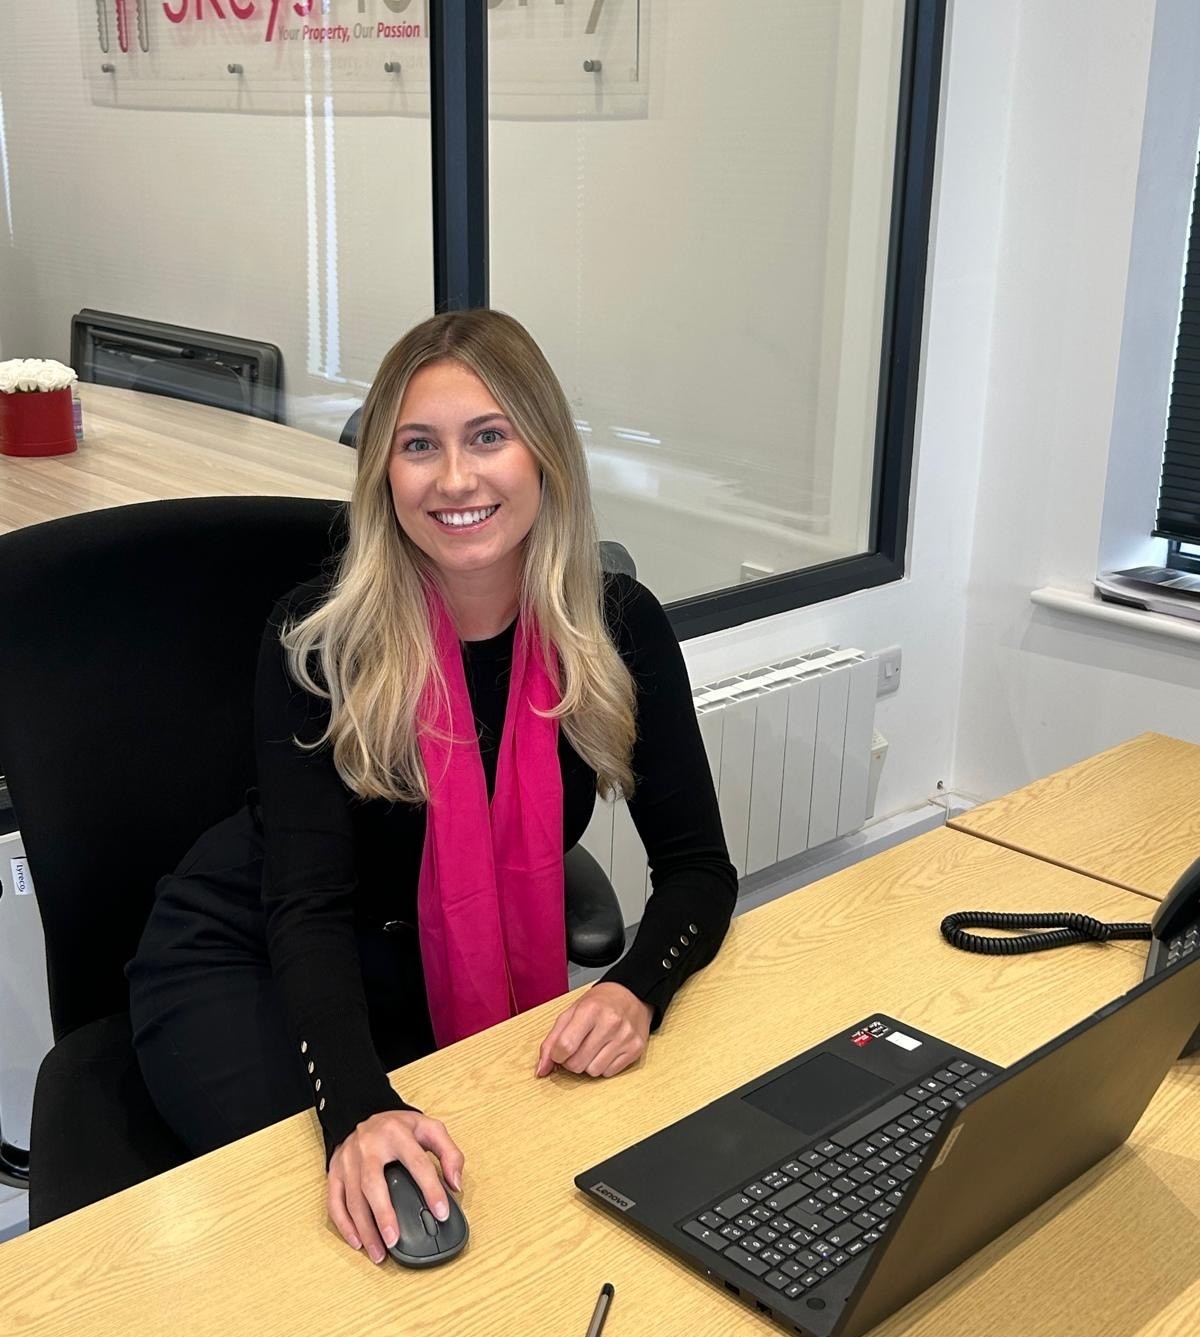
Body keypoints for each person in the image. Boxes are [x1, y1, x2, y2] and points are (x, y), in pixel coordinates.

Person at [126, 309, 736, 1266]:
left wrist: (635, 989)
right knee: (338, 1225)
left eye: (488, 437)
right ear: (384, 472)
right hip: (250, 958)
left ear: (545, 454)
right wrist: (356, 1105)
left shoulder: (618, 627)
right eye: (419, 446)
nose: (455, 479)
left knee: (512, 1202)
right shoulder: (323, 643)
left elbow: (699, 870)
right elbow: (307, 908)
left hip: (424, 985)